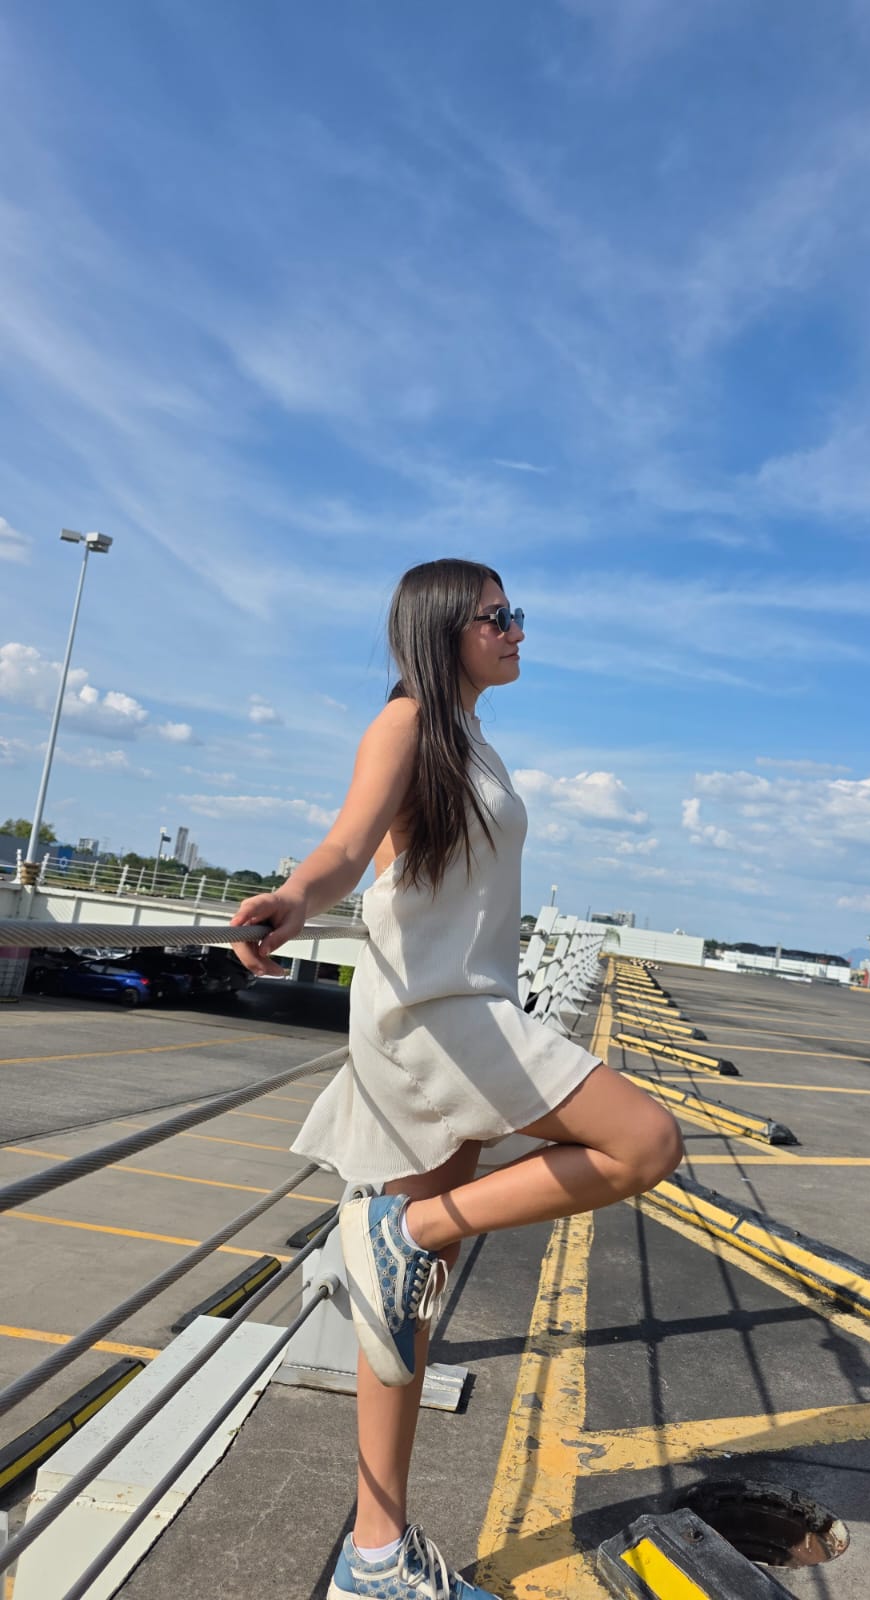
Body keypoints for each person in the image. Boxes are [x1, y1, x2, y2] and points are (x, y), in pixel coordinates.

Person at [231, 558, 683, 1600]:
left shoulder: (472, 733)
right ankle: (412, 1234)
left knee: (401, 1318)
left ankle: (374, 1557)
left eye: (516, 613)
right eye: (501, 616)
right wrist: (296, 893)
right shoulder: (406, 721)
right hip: (434, 1013)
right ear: (448, 628)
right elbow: (349, 843)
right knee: (644, 1141)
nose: (519, 629)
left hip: (466, 1002)